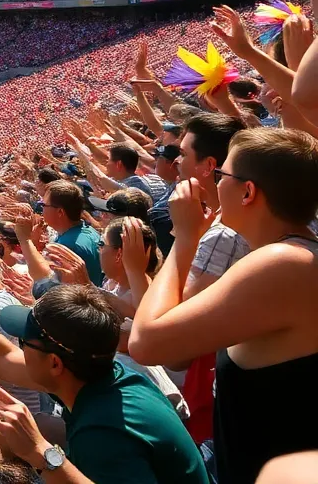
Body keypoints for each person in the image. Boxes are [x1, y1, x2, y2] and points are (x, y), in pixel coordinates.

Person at [0, 230, 206, 484]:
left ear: (55, 363)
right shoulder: (100, 373)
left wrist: (41, 453)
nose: (17, 348)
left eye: (24, 342)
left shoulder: (103, 432)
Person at [130, 128, 318, 484]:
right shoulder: (292, 254)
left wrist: (184, 240)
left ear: (248, 191)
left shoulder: (283, 263)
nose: (214, 184)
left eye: (221, 175)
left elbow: (148, 343)